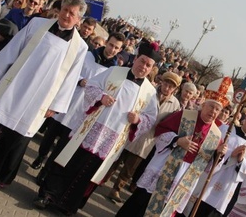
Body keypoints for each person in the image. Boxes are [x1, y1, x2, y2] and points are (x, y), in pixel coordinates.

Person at [0, 0, 88, 192]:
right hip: (14, 86)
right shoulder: (37, 24)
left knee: (13, 139)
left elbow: (70, 79)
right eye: (65, 9)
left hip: (38, 99)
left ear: (79, 20)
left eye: (72, 13)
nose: (66, 15)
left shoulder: (80, 47)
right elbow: (14, 47)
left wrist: (55, 105)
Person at [35, 41, 161, 215]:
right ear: (136, 58)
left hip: (111, 140)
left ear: (152, 69)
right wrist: (101, 97)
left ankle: (67, 205)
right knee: (69, 162)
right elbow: (92, 85)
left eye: (148, 65)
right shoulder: (114, 71)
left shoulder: (150, 92)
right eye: (142, 61)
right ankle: (47, 195)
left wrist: (138, 118)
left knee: (88, 173)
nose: (143, 66)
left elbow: (151, 118)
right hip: (89, 129)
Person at [117, 77, 233, 217]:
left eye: (217, 109)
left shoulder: (216, 135)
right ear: (203, 105)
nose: (214, 111)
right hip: (164, 167)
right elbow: (160, 131)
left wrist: (218, 155)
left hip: (183, 179)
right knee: (140, 204)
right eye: (211, 107)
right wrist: (177, 140)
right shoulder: (185, 115)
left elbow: (209, 167)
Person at [30, 32, 125, 171]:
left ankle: (47, 170)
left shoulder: (115, 71)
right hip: (70, 98)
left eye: (116, 48)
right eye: (111, 45)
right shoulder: (88, 56)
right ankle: (41, 156)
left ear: (120, 50)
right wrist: (80, 80)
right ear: (106, 42)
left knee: (63, 144)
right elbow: (71, 71)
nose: (112, 49)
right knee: (50, 134)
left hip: (84, 109)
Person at [106, 71, 182, 203]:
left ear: (175, 89)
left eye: (171, 86)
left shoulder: (175, 104)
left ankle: (116, 189)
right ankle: (102, 178)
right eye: (166, 83)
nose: (167, 88)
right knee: (114, 159)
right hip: (133, 130)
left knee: (130, 168)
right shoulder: (149, 92)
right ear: (161, 82)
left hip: (148, 140)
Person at [184, 109, 246, 217]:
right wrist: (229, 154)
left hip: (226, 189)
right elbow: (208, 148)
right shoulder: (226, 130)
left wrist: (241, 160)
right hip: (209, 178)